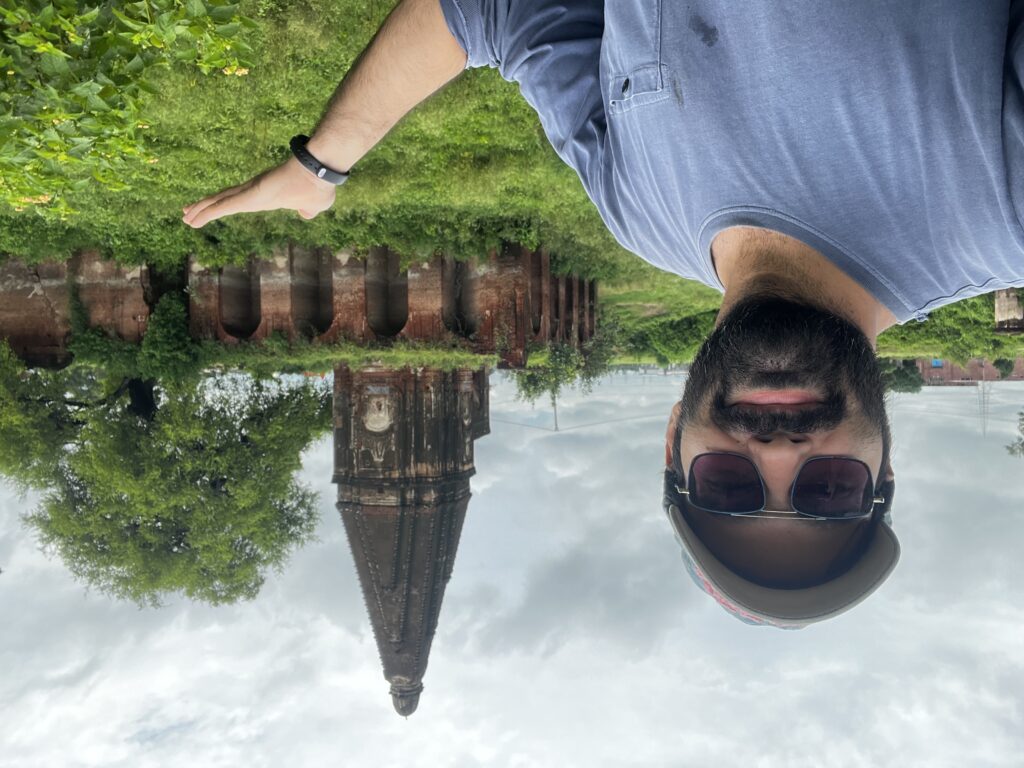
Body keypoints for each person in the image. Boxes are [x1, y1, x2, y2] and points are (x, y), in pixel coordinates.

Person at [183, 0, 1024, 624]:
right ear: (880, 470)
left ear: (673, 443)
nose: (777, 454)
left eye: (729, 485)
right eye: (828, 490)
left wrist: (323, 166)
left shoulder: (639, 215)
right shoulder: (1004, 209)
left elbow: (493, 12)